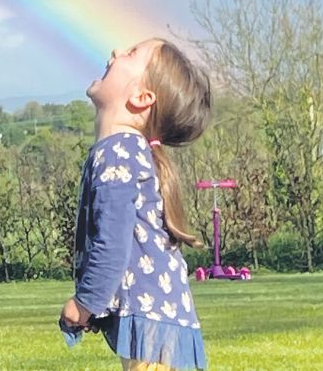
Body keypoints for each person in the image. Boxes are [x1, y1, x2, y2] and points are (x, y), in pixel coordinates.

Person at [59, 38, 211, 371]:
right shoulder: (125, 149)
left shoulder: (119, 150)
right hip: (158, 323)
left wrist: (85, 303)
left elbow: (112, 242)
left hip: (153, 327)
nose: (114, 52)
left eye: (130, 53)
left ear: (142, 98)